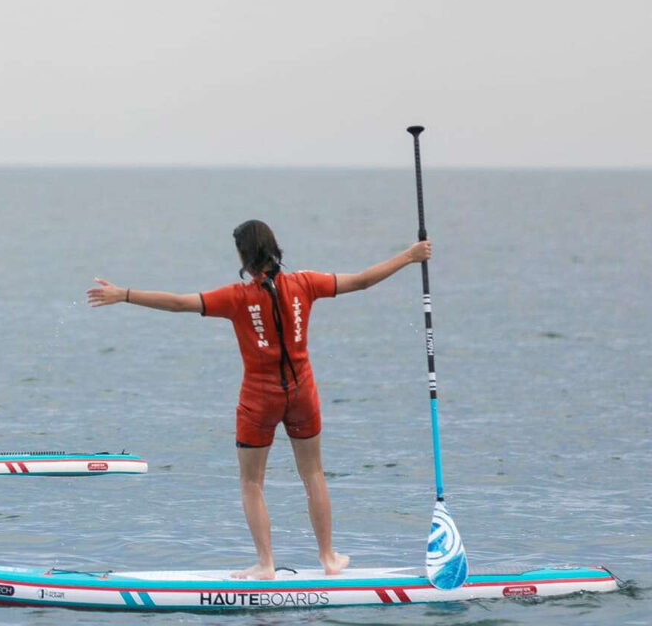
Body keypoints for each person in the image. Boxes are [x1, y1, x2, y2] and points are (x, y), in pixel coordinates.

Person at [87, 219, 430, 580]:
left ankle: (265, 564)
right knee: (312, 473)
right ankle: (328, 558)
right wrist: (409, 255)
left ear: (244, 256)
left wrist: (124, 294)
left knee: (252, 483)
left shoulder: (236, 297)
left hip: (258, 401)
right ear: (274, 249)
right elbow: (361, 280)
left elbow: (178, 304)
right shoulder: (306, 283)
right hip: (302, 393)